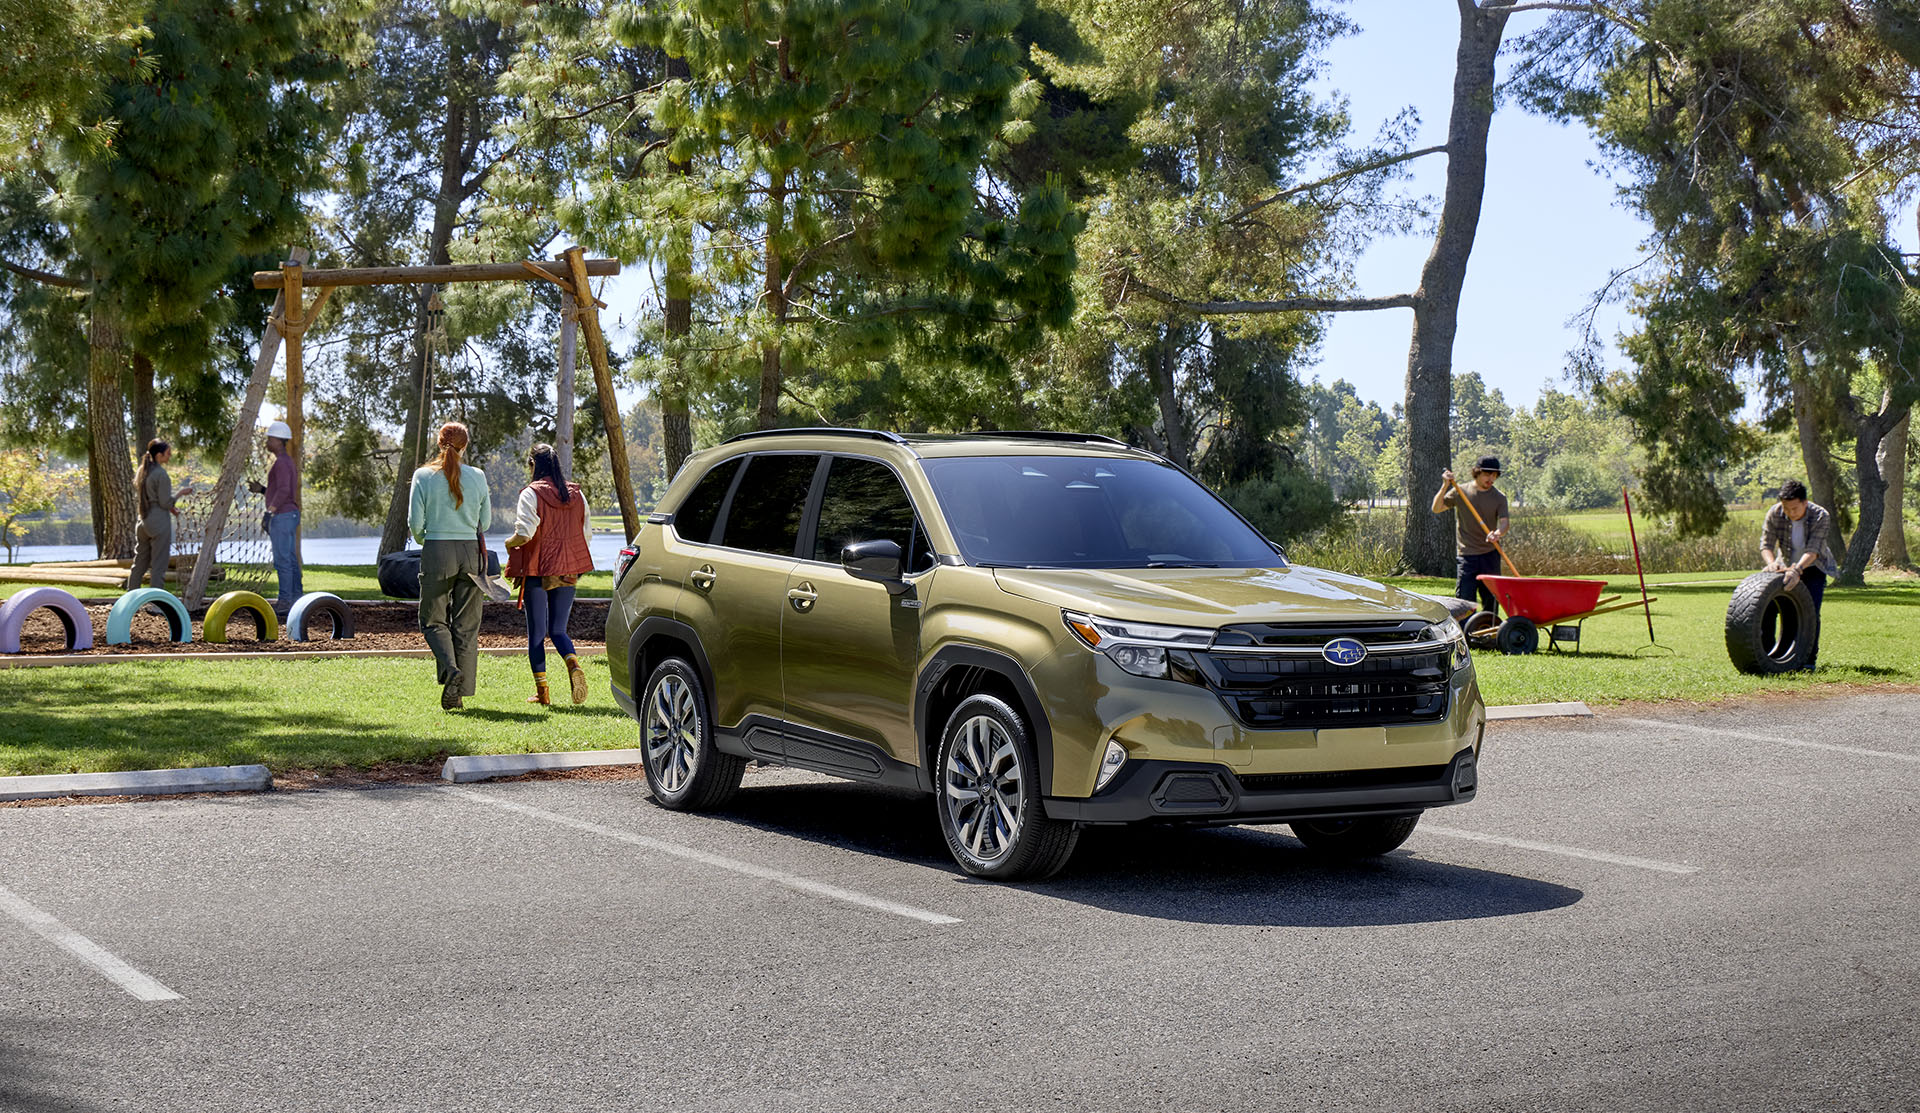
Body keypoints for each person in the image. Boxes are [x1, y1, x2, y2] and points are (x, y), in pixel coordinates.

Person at [504, 444, 596, 706]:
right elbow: (586, 535)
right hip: (568, 569)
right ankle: (573, 663)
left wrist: (509, 544)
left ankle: (543, 694)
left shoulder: (531, 494)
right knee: (558, 629)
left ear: (533, 465)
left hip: (538, 569)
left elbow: (525, 533)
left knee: (536, 633)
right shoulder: (577, 495)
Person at [408, 421, 491, 710]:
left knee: (432, 620)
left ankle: (452, 672)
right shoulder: (478, 476)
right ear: (465, 446)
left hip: (437, 550)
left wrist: (425, 539)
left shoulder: (423, 476)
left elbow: (415, 524)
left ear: (439, 443)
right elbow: (487, 522)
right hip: (471, 552)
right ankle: (460, 690)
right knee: (467, 625)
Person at [1759, 478, 1839, 671]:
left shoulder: (1820, 515)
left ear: (1804, 502)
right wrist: (1771, 565)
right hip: (1783, 565)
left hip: (1813, 566)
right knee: (1767, 605)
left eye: (1795, 508)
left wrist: (1797, 570)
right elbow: (1766, 544)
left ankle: (1808, 660)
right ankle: (1769, 654)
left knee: (1810, 611)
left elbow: (1813, 550)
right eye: (1786, 508)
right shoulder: (1775, 513)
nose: (1790, 513)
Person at [1431, 455, 1511, 617]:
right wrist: (1445, 485)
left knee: (1491, 599)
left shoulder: (1499, 497)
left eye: (1494, 475)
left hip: (1490, 555)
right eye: (1487, 474)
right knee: (1465, 599)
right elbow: (1437, 508)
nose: (1491, 478)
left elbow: (1504, 522)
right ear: (1477, 473)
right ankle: (1465, 635)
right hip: (1467, 555)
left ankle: (1489, 635)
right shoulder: (1461, 492)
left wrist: (1498, 533)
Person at [247, 420, 301, 610]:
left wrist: (270, 512)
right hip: (289, 514)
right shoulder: (285, 462)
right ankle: (296, 599)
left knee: (282, 560)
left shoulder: (281, 463)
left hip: (283, 517)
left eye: (270, 438)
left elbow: (285, 490)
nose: (267, 442)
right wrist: (263, 490)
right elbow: (280, 490)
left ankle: (286, 601)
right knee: (290, 559)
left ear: (278, 441)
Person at [127, 440, 192, 591]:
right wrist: (180, 493)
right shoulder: (161, 474)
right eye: (168, 453)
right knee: (159, 565)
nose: (170, 456)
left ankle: (129, 598)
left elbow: (152, 499)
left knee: (139, 563)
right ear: (159, 455)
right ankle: (157, 605)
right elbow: (165, 502)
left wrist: (171, 509)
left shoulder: (142, 472)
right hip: (158, 523)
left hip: (142, 521)